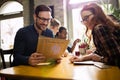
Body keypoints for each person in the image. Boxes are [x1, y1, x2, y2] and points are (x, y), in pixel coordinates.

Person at [70, 3, 120, 67]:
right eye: (83, 20)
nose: (85, 22)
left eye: (86, 18)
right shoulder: (104, 25)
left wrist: (100, 59)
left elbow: (117, 59)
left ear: (97, 14)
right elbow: (99, 52)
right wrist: (82, 58)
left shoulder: (99, 28)